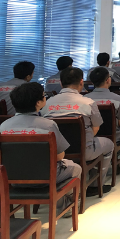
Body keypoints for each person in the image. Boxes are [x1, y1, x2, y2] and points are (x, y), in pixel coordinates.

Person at [0, 82, 82, 218]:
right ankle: (65, 207)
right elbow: (59, 156)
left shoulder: (3, 127)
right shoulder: (48, 125)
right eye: (44, 96)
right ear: (38, 103)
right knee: (75, 168)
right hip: (44, 178)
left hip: (12, 179)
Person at [42, 67, 114, 195]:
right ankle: (95, 185)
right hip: (84, 151)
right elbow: (96, 128)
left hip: (55, 153)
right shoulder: (88, 103)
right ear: (81, 82)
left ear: (60, 83)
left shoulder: (47, 104)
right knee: (109, 144)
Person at [85, 67, 120, 142]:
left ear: (92, 82)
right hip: (113, 135)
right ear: (108, 80)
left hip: (92, 134)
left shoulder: (84, 99)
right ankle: (117, 147)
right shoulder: (118, 99)